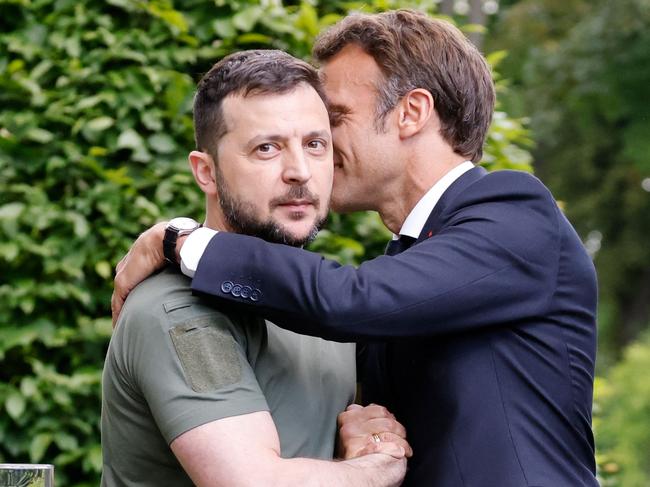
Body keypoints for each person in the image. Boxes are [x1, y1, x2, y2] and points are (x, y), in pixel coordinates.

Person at [113, 10, 599, 487]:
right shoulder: (408, 266)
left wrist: (181, 241)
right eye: (268, 147)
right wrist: (365, 437)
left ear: (410, 113)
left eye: (335, 118)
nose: (311, 157)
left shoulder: (514, 210)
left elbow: (348, 298)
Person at [102, 49, 410, 487]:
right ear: (206, 172)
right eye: (267, 148)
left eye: (315, 145)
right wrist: (379, 466)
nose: (299, 172)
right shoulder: (181, 313)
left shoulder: (323, 298)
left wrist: (359, 440)